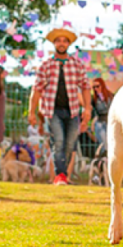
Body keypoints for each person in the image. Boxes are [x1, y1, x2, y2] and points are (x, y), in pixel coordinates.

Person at [29, 28, 92, 186]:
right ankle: (60, 176)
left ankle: (63, 175)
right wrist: (32, 112)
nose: (61, 43)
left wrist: (88, 109)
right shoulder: (46, 65)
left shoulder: (76, 64)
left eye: (65, 41)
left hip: (73, 111)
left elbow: (85, 87)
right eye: (58, 41)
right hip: (52, 110)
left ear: (68, 44)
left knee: (70, 144)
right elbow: (36, 89)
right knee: (58, 141)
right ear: (54, 43)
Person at [91, 77, 114, 150]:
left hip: (110, 121)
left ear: (102, 85)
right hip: (100, 122)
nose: (96, 89)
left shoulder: (110, 96)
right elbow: (94, 112)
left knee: (111, 143)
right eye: (94, 87)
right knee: (104, 144)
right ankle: (105, 159)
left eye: (97, 86)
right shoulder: (95, 99)